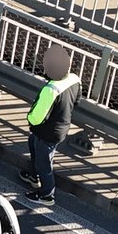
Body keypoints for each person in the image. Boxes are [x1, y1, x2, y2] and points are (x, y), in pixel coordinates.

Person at [22, 44, 81, 206]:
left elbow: (36, 118)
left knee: (44, 162)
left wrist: (29, 117)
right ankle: (33, 177)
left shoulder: (51, 90)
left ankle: (47, 195)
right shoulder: (75, 79)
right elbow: (77, 100)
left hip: (47, 132)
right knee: (33, 146)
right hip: (61, 127)